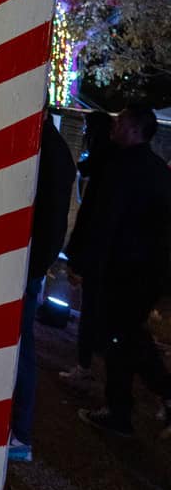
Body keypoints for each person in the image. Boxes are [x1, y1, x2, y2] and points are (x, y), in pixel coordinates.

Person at [68, 104, 171, 437]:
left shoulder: (121, 167)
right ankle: (124, 407)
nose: (115, 125)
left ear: (135, 129)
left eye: (122, 121)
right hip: (148, 273)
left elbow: (104, 221)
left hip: (121, 270)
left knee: (121, 338)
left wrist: (84, 263)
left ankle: (127, 407)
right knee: (126, 337)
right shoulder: (157, 171)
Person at [8, 108, 76, 462]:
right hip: (30, 260)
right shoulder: (54, 148)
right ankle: (15, 427)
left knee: (20, 344)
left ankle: (19, 431)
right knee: (18, 342)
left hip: (26, 262)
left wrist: (32, 265)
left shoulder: (43, 149)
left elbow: (46, 216)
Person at [59, 108, 113, 386]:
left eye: (86, 130)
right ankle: (86, 362)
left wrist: (77, 253)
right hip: (100, 250)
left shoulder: (103, 163)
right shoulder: (101, 162)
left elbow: (92, 212)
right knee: (94, 311)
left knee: (93, 312)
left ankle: (85, 366)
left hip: (98, 251)